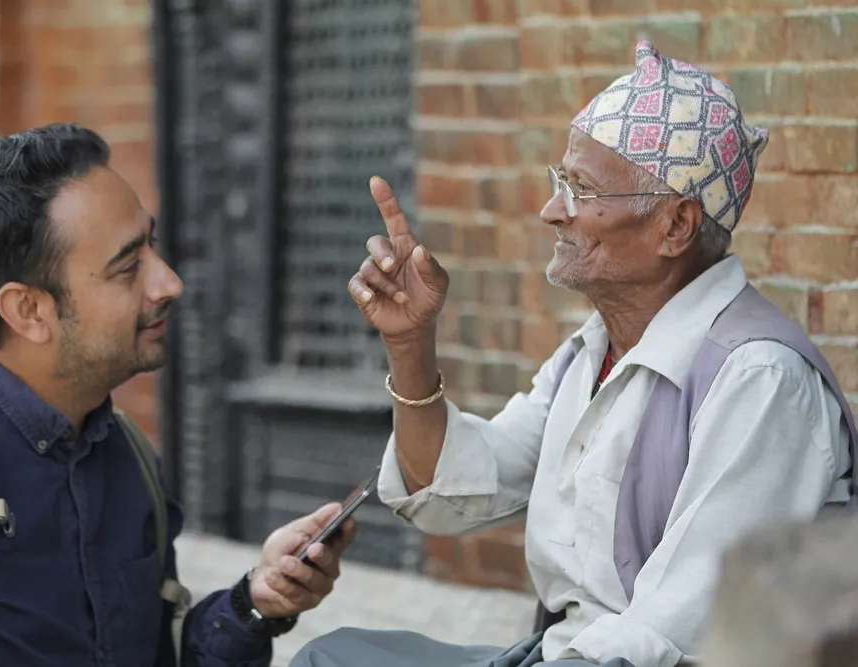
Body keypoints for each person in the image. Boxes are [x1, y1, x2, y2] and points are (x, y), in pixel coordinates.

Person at [290, 41, 855, 667]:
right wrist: (409, 343)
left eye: (580, 189)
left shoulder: (760, 379)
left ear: (677, 226)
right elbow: (452, 492)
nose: (551, 211)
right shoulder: (594, 352)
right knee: (333, 657)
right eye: (561, 181)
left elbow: (679, 630)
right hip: (562, 655)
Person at [0, 123, 356, 667]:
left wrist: (254, 603)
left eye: (153, 244)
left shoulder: (127, 458)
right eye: (127, 268)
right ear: (29, 311)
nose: (168, 283)